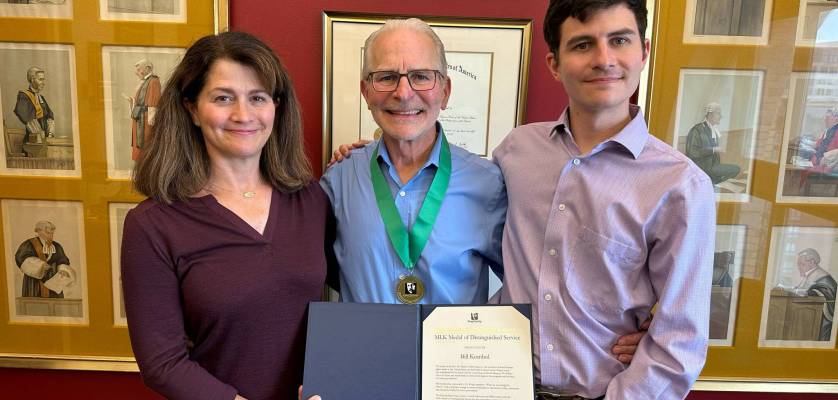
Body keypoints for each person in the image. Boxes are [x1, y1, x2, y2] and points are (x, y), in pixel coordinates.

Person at [494, 1, 716, 398]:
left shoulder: (681, 185)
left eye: (619, 40)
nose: (604, 59)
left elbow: (679, 339)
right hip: (498, 386)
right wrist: (356, 156)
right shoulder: (515, 151)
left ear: (643, 51)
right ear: (554, 63)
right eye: (582, 45)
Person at [121, 31, 330, 400]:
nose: (243, 115)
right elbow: (162, 364)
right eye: (223, 98)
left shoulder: (311, 200)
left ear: (276, 107)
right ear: (191, 108)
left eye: (258, 98)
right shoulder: (152, 224)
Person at [319, 18, 506, 305]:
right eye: (386, 77)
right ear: (366, 92)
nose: (404, 93)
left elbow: (526, 281)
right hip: (363, 349)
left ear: (445, 92)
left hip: (454, 350)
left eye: (421, 76)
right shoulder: (338, 181)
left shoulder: (489, 185)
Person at [783, 248, 836, 341]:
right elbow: (803, 289)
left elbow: (810, 293)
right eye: (798, 264)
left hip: (821, 319)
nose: (799, 267)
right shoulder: (811, 274)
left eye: (802, 264)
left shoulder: (821, 277)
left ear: (812, 262)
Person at [685, 102, 741, 185]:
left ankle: (713, 181)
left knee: (736, 169)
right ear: (710, 114)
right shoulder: (696, 130)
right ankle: (712, 181)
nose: (721, 116)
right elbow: (692, 152)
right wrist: (713, 149)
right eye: (718, 113)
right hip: (703, 167)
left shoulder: (713, 130)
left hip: (713, 166)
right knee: (735, 169)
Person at [14, 221, 72, 298]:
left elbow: (63, 259)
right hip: (34, 283)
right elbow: (20, 258)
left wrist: (63, 270)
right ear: (39, 231)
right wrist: (39, 266)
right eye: (48, 233)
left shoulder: (57, 246)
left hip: (54, 284)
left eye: (52, 233)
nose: (51, 236)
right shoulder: (29, 244)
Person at [14, 66, 55, 155]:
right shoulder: (24, 96)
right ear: (32, 80)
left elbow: (50, 115)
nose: (43, 83)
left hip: (45, 140)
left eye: (44, 80)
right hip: (32, 142)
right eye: (41, 79)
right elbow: (25, 116)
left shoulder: (41, 98)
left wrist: (50, 133)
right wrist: (39, 135)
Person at [126, 59, 161, 161]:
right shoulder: (146, 82)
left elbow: (154, 102)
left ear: (148, 68)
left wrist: (151, 124)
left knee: (145, 144)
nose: (136, 73)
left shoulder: (153, 81)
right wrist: (131, 101)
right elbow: (141, 101)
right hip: (140, 119)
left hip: (145, 121)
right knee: (140, 146)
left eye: (139, 70)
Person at [809, 106, 838, 173]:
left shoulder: (834, 131)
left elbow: (828, 150)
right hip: (820, 162)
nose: (825, 119)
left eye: (827, 117)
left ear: (836, 118)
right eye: (825, 117)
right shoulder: (828, 130)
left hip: (826, 166)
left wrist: (816, 159)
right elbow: (818, 145)